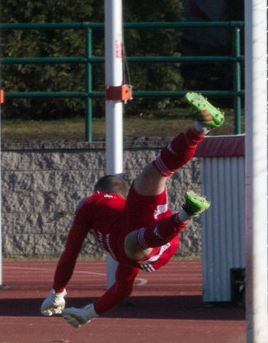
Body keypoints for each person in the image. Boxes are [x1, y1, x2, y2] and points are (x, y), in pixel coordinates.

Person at [40, 92, 224, 328]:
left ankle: (202, 128)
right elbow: (123, 287)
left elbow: (71, 251)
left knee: (135, 232)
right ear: (121, 196)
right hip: (154, 230)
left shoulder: (91, 205)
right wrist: (88, 313)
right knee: (154, 173)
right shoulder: (123, 213)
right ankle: (199, 131)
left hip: (156, 240)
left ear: (97, 191)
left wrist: (58, 292)